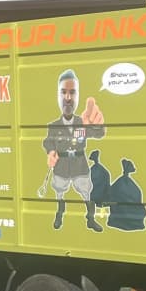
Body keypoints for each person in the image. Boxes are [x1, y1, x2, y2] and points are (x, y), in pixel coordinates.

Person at [42, 69, 105, 230]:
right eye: (63, 92)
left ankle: (90, 219)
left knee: (86, 193)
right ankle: (59, 215)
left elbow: (98, 134)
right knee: (59, 192)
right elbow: (48, 142)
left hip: (79, 165)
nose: (68, 98)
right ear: (58, 95)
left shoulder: (83, 122)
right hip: (61, 166)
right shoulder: (53, 126)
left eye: (72, 92)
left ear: (78, 96)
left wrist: (97, 125)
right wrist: (51, 152)